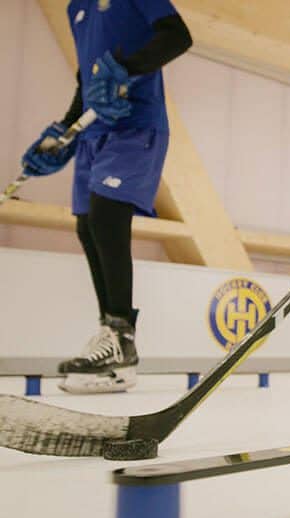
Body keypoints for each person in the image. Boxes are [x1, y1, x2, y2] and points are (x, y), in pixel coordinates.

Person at [20, 0, 192, 394]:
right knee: (86, 225)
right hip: (94, 133)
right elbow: (88, 79)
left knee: (105, 214)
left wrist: (128, 71)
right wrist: (63, 131)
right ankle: (113, 337)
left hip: (135, 124)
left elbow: (177, 36)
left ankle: (119, 337)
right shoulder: (75, 9)